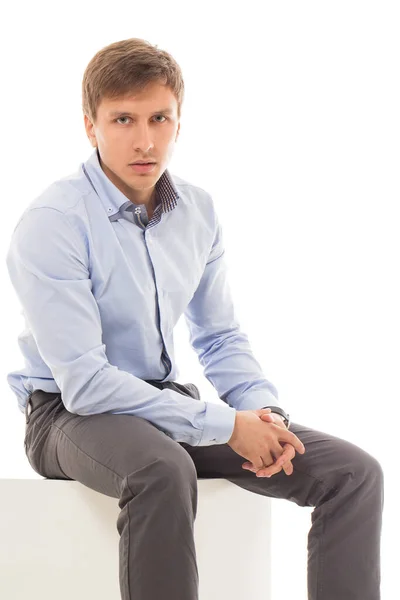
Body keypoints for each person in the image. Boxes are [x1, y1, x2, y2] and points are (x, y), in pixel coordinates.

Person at [6, 37, 383, 600]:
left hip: (161, 403)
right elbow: (84, 384)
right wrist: (228, 426)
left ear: (179, 121)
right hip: (66, 414)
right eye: (124, 119)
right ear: (91, 126)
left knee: (353, 474)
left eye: (160, 118)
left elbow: (221, 334)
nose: (145, 139)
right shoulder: (53, 222)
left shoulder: (198, 211)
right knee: (162, 471)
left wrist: (263, 412)